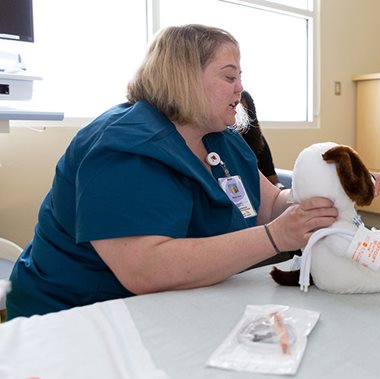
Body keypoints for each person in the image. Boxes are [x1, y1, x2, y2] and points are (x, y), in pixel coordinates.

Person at [6, 24, 343, 319]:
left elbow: (269, 206)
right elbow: (146, 269)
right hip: (75, 315)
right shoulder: (122, 146)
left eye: (240, 76)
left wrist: (331, 191)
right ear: (184, 78)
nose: (240, 89)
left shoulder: (222, 140)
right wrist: (275, 237)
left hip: (168, 305)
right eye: (229, 76)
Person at [239, 90, 284, 188]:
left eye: (242, 110)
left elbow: (272, 178)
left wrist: (281, 189)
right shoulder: (218, 139)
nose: (237, 116)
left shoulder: (257, 139)